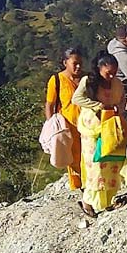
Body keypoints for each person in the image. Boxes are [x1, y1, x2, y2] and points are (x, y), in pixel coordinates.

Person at [71, 52, 127, 216]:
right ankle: (88, 201)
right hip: (93, 130)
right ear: (99, 69)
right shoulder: (88, 82)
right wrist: (97, 105)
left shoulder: (117, 83)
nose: (111, 76)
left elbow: (122, 100)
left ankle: (108, 200)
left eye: (114, 72)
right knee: (95, 167)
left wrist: (120, 107)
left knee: (111, 165)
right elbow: (76, 99)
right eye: (107, 73)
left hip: (111, 128)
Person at [44, 47, 85, 192]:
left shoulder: (87, 79)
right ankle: (81, 187)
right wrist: (52, 127)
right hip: (68, 128)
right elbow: (49, 104)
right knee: (73, 159)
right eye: (75, 63)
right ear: (65, 63)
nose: (78, 66)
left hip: (87, 126)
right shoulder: (56, 80)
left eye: (80, 63)